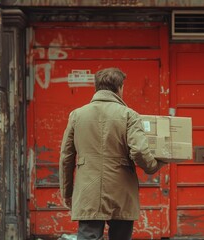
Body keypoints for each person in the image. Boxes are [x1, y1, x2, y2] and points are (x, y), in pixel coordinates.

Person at [59, 67, 166, 240]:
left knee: (88, 236)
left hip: (88, 189)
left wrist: (67, 192)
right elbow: (138, 150)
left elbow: (66, 157)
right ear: (120, 87)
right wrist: (153, 166)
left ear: (96, 87)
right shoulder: (129, 115)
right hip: (121, 189)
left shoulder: (77, 115)